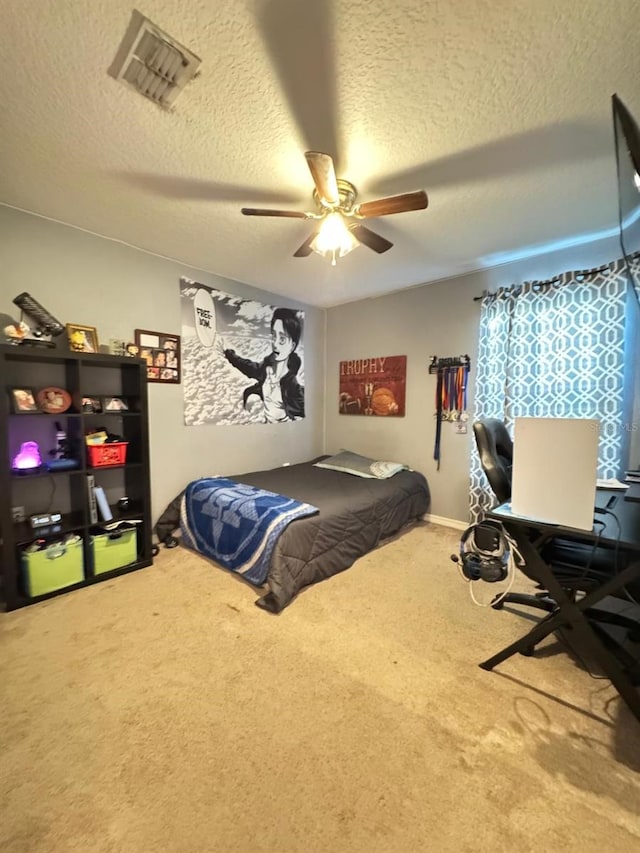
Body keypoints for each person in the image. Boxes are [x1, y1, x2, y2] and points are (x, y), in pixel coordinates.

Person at [220, 308, 305, 422]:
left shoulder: (294, 390)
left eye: (282, 339)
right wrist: (229, 354)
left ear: (292, 346)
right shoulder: (266, 368)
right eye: (274, 336)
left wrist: (282, 416)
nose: (275, 343)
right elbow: (249, 367)